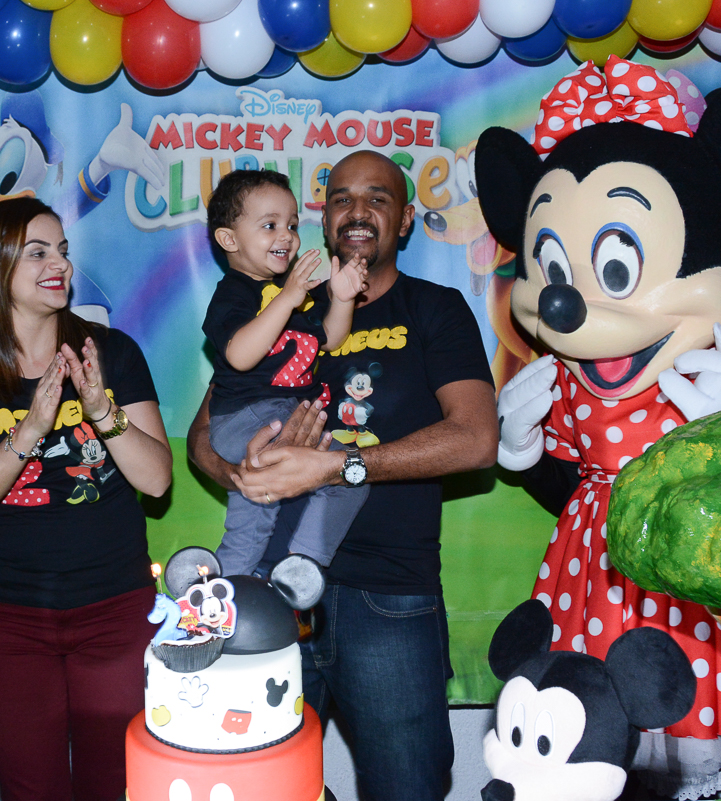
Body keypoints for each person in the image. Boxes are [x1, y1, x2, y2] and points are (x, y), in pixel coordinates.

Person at [189, 151, 500, 800]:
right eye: (340, 198)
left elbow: (476, 439)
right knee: (256, 784)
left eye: (378, 198)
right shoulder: (276, 305)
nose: (357, 211)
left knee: (406, 788)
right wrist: (240, 472)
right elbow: (203, 432)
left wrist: (334, 465)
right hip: (270, 593)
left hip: (390, 596)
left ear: (406, 219)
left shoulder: (434, 310)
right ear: (325, 218)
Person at [0, 197, 171, 800]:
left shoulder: (108, 354)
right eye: (37, 251)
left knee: (114, 787)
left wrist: (102, 414)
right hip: (9, 625)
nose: (58, 262)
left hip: (115, 614)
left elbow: (157, 480)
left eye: (62, 249)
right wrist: (29, 432)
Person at [203, 169, 369, 577]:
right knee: (257, 496)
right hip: (244, 418)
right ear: (229, 240)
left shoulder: (298, 298)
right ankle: (229, 592)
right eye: (269, 225)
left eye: (293, 225)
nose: (287, 236)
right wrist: (289, 298)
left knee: (351, 474)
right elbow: (240, 355)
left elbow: (329, 339)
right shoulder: (234, 293)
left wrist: (342, 298)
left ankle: (301, 566)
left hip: (287, 416)